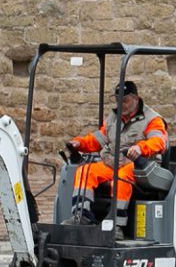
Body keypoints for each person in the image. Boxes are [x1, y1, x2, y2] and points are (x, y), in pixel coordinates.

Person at [65, 81, 167, 226]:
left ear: (136, 99)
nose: (121, 105)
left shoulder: (153, 119)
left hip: (140, 166)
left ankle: (116, 224)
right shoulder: (113, 118)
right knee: (85, 171)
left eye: (125, 101)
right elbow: (99, 138)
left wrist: (140, 149)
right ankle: (82, 216)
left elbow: (158, 141)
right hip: (113, 163)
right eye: (118, 101)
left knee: (122, 178)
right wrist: (79, 143)